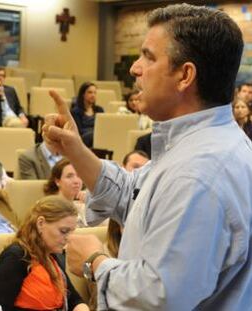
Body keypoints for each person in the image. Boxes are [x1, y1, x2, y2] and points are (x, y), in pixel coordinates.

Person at [43, 4, 252, 309]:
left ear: (185, 75)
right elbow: (134, 195)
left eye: (148, 57)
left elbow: (160, 296)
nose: (135, 68)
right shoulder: (205, 147)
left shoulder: (198, 174)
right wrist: (75, 149)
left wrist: (95, 262)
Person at [0, 195, 88, 311]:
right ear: (40, 223)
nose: (68, 238)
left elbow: (74, 300)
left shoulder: (52, 255)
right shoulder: (15, 258)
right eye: (64, 231)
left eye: (72, 232)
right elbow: (0, 308)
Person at [43, 158, 87, 227]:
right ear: (57, 181)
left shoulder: (81, 205)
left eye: (79, 176)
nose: (76, 181)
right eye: (69, 176)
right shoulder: (47, 208)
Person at [71, 82, 104, 148]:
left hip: (98, 139)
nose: (93, 95)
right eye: (90, 92)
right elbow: (78, 131)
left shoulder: (99, 110)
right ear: (83, 94)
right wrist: (95, 132)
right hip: (82, 141)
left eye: (95, 93)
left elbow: (103, 128)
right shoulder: (76, 111)